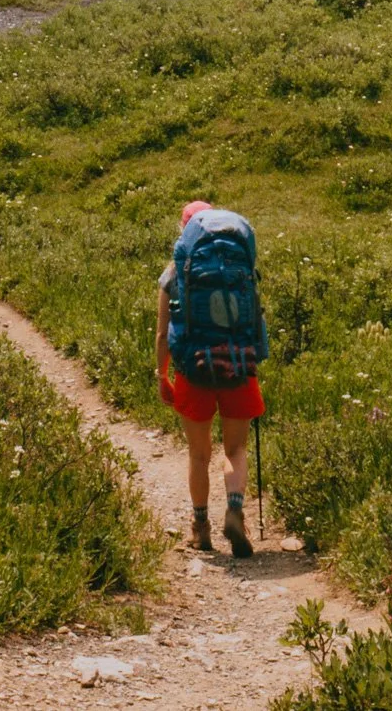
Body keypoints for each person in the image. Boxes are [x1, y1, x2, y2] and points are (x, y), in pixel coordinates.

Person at [155, 200, 265, 556]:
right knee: (235, 448)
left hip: (194, 368)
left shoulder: (174, 274)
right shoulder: (238, 266)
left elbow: (162, 334)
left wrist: (162, 374)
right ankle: (234, 509)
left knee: (199, 454)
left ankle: (200, 527)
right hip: (238, 365)